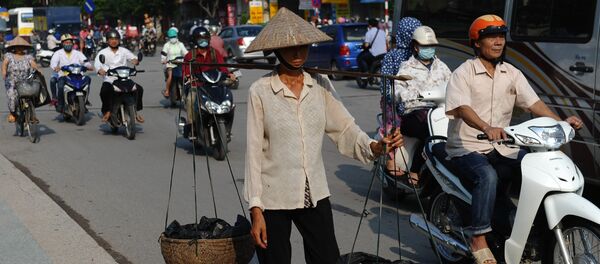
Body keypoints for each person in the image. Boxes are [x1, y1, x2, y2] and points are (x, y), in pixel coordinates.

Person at [242, 8, 403, 264]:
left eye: (303, 46)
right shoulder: (260, 91)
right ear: (277, 51)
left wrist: (374, 146)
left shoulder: (319, 84)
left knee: (326, 258)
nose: (298, 54)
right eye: (290, 47)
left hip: (313, 191)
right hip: (274, 196)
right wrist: (256, 208)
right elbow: (253, 153)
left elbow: (345, 128)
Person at [444, 14, 583, 264]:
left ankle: (533, 232)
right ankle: (479, 238)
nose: (498, 42)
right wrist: (486, 127)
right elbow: (462, 108)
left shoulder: (511, 72)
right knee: (487, 176)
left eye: (501, 36)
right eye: (490, 37)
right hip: (467, 148)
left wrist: (560, 122)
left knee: (536, 171)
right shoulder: (463, 73)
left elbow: (534, 103)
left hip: (503, 147)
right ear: (476, 42)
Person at [391, 25, 451, 184]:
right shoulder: (407, 67)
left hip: (439, 112)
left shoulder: (442, 66)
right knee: (430, 134)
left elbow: (453, 85)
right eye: (425, 46)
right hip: (413, 114)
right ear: (416, 47)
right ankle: (415, 170)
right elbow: (396, 90)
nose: (429, 49)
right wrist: (414, 96)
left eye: (432, 46)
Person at [378, 17, 422, 181]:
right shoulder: (393, 56)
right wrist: (397, 97)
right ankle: (391, 159)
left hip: (418, 102)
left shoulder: (421, 55)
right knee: (393, 125)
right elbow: (384, 84)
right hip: (394, 102)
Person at [182, 27, 234, 126]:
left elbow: (222, 67)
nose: (203, 41)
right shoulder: (190, 55)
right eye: (200, 39)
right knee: (190, 100)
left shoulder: (215, 53)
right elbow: (186, 70)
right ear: (195, 40)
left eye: (205, 38)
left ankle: (227, 122)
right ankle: (191, 125)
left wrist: (229, 74)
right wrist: (188, 76)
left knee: (227, 97)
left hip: (215, 84)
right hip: (198, 86)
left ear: (209, 39)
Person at [94, 29, 144, 123]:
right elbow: (97, 63)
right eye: (111, 39)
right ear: (107, 40)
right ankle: (107, 111)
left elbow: (133, 58)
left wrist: (136, 61)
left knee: (139, 89)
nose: (114, 41)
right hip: (110, 79)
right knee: (104, 92)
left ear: (119, 40)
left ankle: (136, 111)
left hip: (125, 79)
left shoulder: (124, 51)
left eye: (116, 38)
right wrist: (100, 70)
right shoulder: (103, 52)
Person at [49, 34, 93, 113]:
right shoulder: (58, 53)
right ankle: (61, 104)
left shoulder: (78, 53)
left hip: (77, 74)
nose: (68, 44)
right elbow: (53, 63)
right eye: (66, 43)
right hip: (64, 75)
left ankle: (85, 101)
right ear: (62, 44)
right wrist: (56, 67)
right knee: (60, 85)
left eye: (69, 42)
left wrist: (88, 66)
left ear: (72, 43)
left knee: (87, 79)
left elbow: (85, 61)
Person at [2, 37, 39, 123]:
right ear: (13, 48)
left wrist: (38, 71)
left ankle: (32, 115)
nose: (20, 48)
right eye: (17, 47)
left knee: (33, 94)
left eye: (22, 46)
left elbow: (33, 64)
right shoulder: (9, 55)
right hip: (12, 81)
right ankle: (13, 113)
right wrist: (4, 72)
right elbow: (4, 64)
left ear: (25, 47)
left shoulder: (28, 56)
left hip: (25, 80)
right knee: (12, 97)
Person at [161, 28, 187, 97]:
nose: (173, 38)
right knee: (170, 76)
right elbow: (163, 54)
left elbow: (185, 53)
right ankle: (167, 91)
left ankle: (187, 90)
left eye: (174, 37)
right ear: (169, 37)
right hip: (170, 64)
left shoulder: (180, 44)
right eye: (171, 37)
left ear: (176, 36)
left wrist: (188, 57)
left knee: (185, 77)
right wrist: (163, 60)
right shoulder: (167, 45)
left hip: (180, 63)